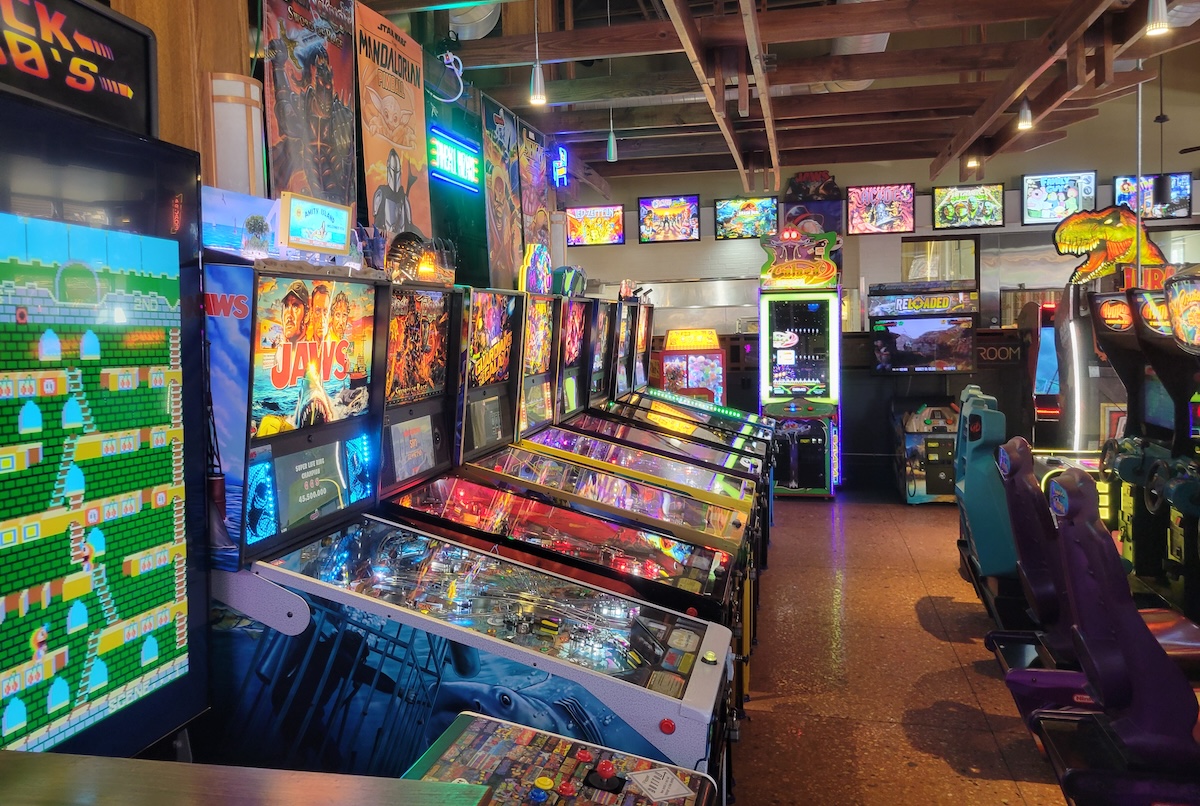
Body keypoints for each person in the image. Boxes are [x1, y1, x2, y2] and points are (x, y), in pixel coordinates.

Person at [281, 279, 309, 346]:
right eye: (286, 306)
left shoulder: (311, 353)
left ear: (306, 315)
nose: (289, 315)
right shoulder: (279, 352)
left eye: (295, 306)